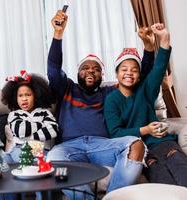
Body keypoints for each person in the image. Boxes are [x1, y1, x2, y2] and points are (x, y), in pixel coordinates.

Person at [46, 10, 155, 200]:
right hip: (70, 148)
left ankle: (113, 197)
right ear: (77, 72)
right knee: (54, 160)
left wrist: (148, 48)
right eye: (85, 68)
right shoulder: (67, 88)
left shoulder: (110, 92)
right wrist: (57, 34)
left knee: (136, 145)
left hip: (103, 146)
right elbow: (54, 70)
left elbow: (141, 76)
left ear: (102, 75)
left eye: (96, 69)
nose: (90, 72)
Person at [104, 23, 187, 187]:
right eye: (124, 69)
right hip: (141, 151)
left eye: (134, 70)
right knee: (164, 183)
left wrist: (164, 39)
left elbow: (159, 67)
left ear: (138, 74)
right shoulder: (111, 99)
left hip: (163, 143)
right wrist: (146, 130)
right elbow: (115, 134)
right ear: (117, 73)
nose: (129, 73)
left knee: (180, 165)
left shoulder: (146, 90)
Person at [1, 71, 58, 200]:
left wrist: (29, 132)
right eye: (20, 96)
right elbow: (20, 131)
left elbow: (53, 131)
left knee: (45, 170)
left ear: (36, 96)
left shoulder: (45, 113)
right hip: (19, 149)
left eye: (28, 95)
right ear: (15, 98)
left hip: (42, 151)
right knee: (21, 165)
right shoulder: (14, 115)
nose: (24, 99)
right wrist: (40, 125)